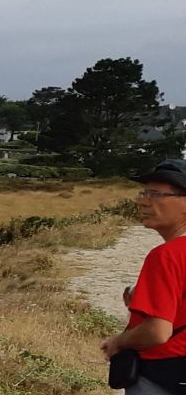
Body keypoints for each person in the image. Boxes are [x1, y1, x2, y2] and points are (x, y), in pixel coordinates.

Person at [105, 159, 186, 393]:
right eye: (144, 192)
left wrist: (117, 342)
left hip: (163, 376)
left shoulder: (166, 255)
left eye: (156, 194)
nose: (142, 201)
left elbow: (157, 332)